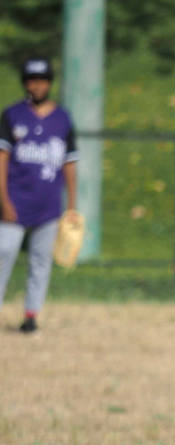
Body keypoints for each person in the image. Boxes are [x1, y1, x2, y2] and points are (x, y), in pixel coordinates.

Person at [0, 57, 79, 334]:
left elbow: (70, 162)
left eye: (42, 80)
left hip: (48, 205)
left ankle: (31, 315)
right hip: (15, 202)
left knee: (41, 259)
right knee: (3, 252)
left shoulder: (63, 119)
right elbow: (2, 159)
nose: (37, 85)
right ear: (25, 83)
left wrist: (72, 205)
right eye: (32, 80)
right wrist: (4, 200)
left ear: (49, 83)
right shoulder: (12, 115)